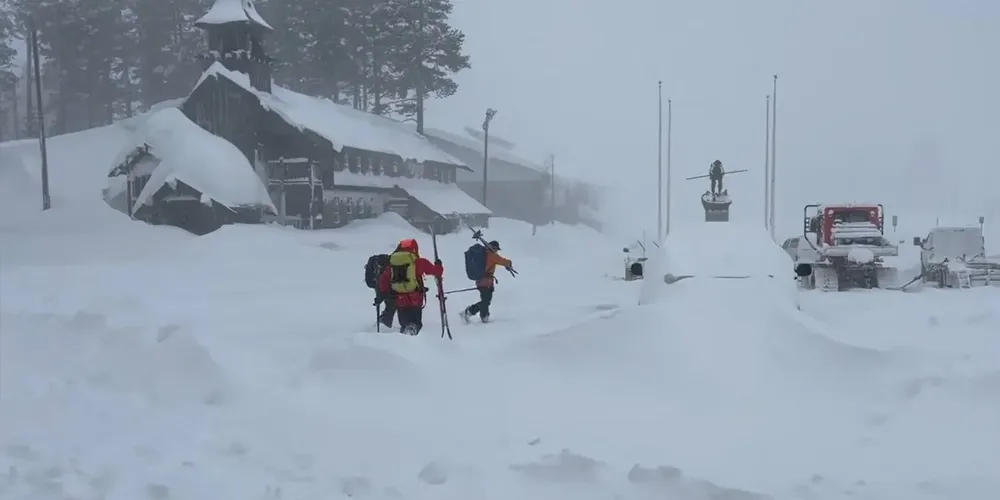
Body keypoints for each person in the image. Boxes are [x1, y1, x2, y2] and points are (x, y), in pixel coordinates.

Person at [376, 238, 443, 335]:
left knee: (404, 324)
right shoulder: (418, 262)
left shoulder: (392, 263)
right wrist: (438, 265)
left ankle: (404, 341)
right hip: (415, 299)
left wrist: (382, 294)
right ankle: (412, 338)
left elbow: (383, 281)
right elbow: (437, 271)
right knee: (415, 323)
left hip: (399, 300)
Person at [461, 240, 512, 323]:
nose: (496, 251)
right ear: (494, 248)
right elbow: (503, 261)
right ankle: (472, 312)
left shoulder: (485, 253)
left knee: (485, 300)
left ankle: (483, 315)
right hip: (486, 282)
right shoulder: (492, 255)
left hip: (481, 280)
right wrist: (509, 263)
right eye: (496, 249)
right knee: (486, 301)